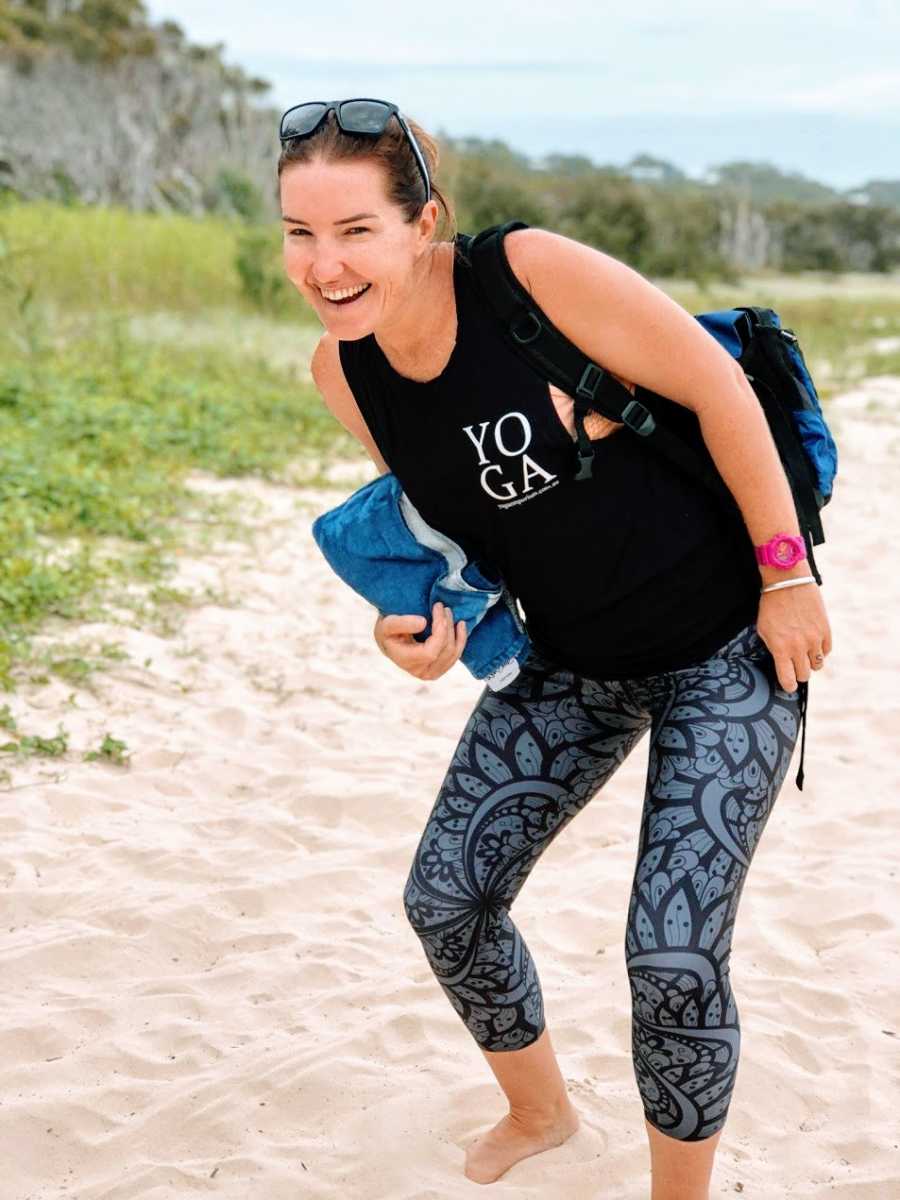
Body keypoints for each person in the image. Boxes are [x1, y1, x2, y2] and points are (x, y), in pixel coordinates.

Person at [278, 99, 833, 1195]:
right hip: (570, 663)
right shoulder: (343, 373)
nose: (326, 265)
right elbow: (471, 520)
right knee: (446, 899)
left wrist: (788, 574)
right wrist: (426, 629)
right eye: (301, 233)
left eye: (356, 231)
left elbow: (721, 391)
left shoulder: (526, 275)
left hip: (726, 640)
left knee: (671, 959)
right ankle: (540, 1113)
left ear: (422, 221)